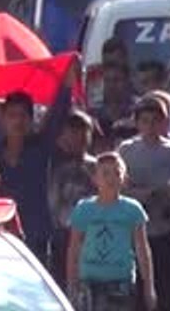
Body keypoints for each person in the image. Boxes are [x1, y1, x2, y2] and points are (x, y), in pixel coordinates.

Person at [117, 96, 170, 311]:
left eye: (155, 120)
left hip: (167, 231)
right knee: (136, 293)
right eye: (145, 120)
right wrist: (145, 193)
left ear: (164, 122)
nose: (150, 126)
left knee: (167, 290)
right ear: (137, 122)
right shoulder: (126, 150)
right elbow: (117, 187)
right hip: (134, 233)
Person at [0, 60, 77, 261]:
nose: (18, 121)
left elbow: (58, 116)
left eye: (23, 116)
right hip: (2, 239)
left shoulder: (40, 148)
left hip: (38, 240)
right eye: (12, 115)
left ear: (31, 120)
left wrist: (67, 82)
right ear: (2, 119)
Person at [68, 153, 157, 311]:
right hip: (89, 282)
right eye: (105, 173)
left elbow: (142, 249)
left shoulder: (132, 209)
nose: (111, 178)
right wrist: (71, 285)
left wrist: (149, 287)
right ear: (95, 179)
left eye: (117, 173)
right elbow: (74, 249)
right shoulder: (84, 209)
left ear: (124, 178)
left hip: (121, 282)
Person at [48, 110, 98, 286]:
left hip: (94, 234)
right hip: (64, 234)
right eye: (73, 131)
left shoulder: (96, 166)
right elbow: (53, 202)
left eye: (84, 132)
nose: (79, 137)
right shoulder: (55, 165)